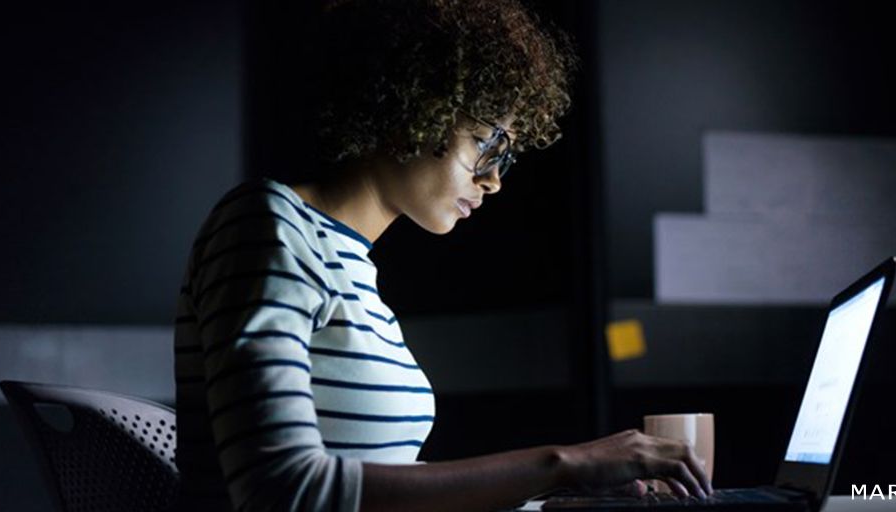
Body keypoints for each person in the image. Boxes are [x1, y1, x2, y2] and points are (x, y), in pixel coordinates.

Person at [171, 1, 713, 511]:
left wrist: (556, 498)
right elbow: (281, 491)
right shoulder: (267, 223)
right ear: (413, 106)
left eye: (507, 155)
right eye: (487, 143)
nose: (494, 180)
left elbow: (378, 476)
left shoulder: (352, 266)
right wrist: (563, 464)